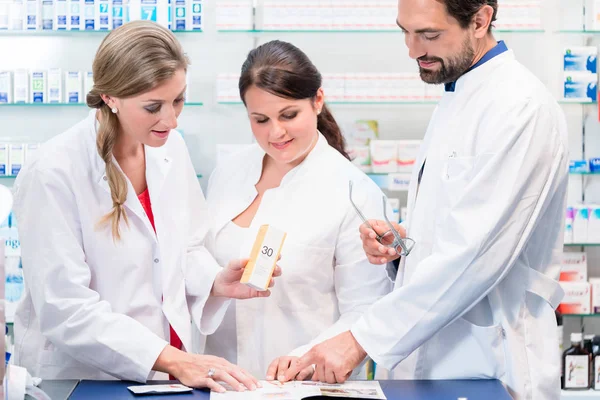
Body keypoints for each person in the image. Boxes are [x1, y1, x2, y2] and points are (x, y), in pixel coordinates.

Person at [285, 1, 568, 399]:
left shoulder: (520, 108)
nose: (413, 49)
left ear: (480, 20)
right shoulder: (458, 94)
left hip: (491, 361)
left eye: (429, 35)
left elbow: (474, 256)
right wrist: (403, 250)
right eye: (405, 32)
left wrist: (358, 340)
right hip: (432, 361)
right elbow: (456, 229)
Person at [12, 21, 280, 393]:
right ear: (110, 97)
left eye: (179, 99)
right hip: (86, 378)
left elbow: (186, 245)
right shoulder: (53, 171)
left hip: (171, 372)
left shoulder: (170, 147)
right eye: (153, 106)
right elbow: (66, 308)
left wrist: (215, 281)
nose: (171, 120)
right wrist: (175, 359)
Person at [200, 40, 393, 381]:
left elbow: (366, 309)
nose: (276, 132)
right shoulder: (226, 174)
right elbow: (196, 267)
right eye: (260, 119)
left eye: (289, 115)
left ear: (317, 100)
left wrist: (304, 357)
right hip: (220, 381)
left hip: (302, 385)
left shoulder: (354, 193)